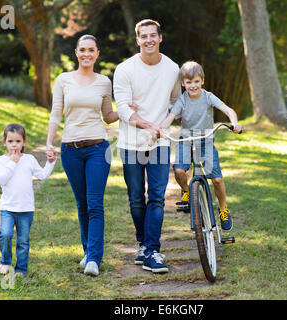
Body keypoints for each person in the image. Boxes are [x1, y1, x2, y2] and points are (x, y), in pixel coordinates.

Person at [46, 34, 118, 276]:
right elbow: (56, 113)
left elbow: (108, 115)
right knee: (82, 204)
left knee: (95, 203)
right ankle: (88, 251)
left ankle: (94, 259)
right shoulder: (64, 80)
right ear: (76, 53)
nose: (87, 54)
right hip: (70, 150)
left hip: (98, 149)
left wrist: (129, 110)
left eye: (91, 50)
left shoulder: (104, 82)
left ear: (97, 53)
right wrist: (49, 143)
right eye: (82, 50)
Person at [113, 19, 181, 274]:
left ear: (160, 38)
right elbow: (122, 109)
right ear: (137, 40)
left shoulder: (172, 68)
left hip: (160, 143)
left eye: (153, 35)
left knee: (157, 197)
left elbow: (176, 102)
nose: (149, 40)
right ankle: (142, 244)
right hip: (131, 143)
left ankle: (152, 250)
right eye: (144, 36)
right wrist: (146, 125)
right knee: (135, 199)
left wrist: (162, 125)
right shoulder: (125, 69)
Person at [159, 61, 242, 231]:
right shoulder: (182, 100)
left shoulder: (208, 97)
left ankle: (223, 209)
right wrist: (161, 129)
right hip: (186, 140)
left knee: (217, 180)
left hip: (206, 140)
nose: (193, 86)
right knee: (179, 170)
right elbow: (171, 116)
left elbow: (228, 110)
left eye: (196, 81)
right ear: (183, 83)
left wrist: (234, 123)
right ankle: (186, 192)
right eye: (188, 82)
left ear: (202, 81)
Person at [0, 123, 57, 276]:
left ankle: (21, 268)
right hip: (8, 208)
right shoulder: (1, 160)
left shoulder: (29, 159)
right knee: (6, 234)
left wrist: (51, 162)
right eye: (10, 141)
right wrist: (12, 163)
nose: (14, 145)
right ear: (5, 142)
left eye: (18, 141)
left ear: (24, 142)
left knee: (23, 240)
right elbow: (1, 180)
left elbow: (41, 175)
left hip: (26, 208)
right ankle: (5, 262)